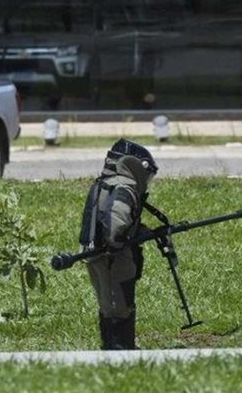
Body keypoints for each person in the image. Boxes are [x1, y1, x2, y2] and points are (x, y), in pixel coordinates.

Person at [79, 138, 158, 350]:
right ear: (136, 166)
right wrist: (118, 244)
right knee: (120, 307)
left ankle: (109, 347)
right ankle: (121, 350)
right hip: (113, 259)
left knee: (107, 305)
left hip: (94, 255)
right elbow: (116, 222)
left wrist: (143, 232)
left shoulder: (105, 182)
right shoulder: (126, 187)